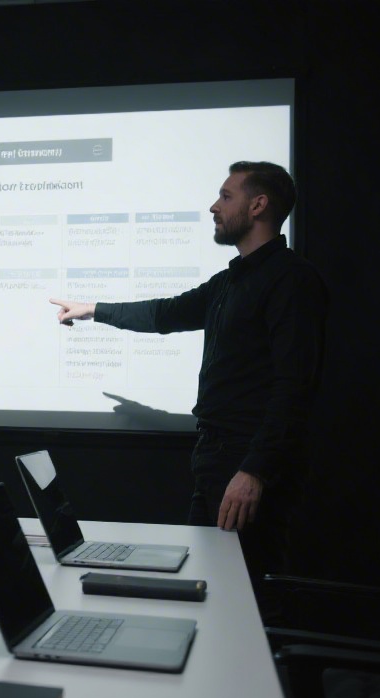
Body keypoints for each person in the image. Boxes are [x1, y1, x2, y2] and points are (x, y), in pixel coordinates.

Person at [50, 161, 327, 624]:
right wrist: (93, 310)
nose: (214, 207)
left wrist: (254, 471)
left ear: (258, 205)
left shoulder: (291, 280)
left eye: (225, 196)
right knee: (212, 590)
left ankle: (261, 691)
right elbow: (166, 314)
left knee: (247, 600)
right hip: (215, 458)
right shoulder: (230, 280)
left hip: (246, 464)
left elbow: (295, 387)